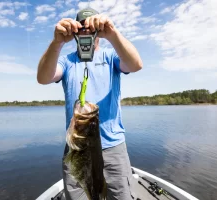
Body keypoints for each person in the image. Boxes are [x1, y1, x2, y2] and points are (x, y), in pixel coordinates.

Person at [37, 7, 143, 200]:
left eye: (90, 26)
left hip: (113, 149)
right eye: (81, 27)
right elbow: (43, 78)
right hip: (77, 149)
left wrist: (113, 34)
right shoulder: (66, 61)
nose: (86, 31)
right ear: (74, 32)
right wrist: (57, 42)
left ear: (98, 31)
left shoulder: (111, 57)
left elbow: (135, 64)